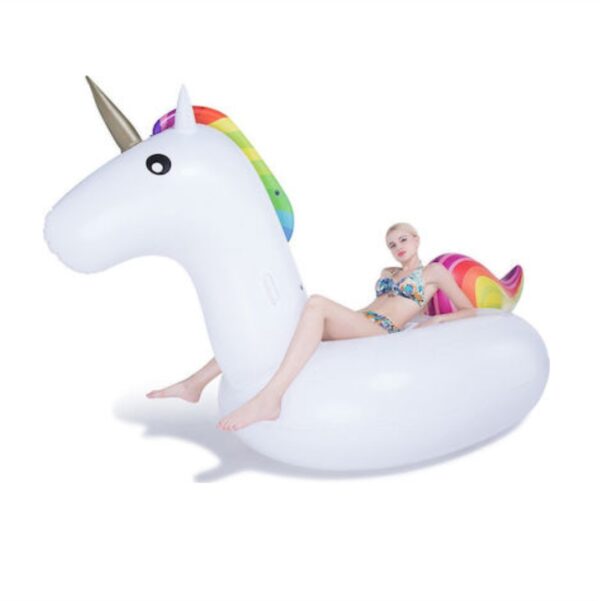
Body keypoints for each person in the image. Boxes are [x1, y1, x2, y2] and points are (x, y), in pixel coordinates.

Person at [146, 222, 477, 431]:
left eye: (403, 239)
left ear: (417, 238)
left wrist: (439, 319)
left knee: (316, 302)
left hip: (380, 331)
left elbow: (468, 309)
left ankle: (270, 398)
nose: (398, 247)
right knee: (278, 322)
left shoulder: (433, 272)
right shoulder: (388, 273)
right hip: (361, 320)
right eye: (392, 244)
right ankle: (194, 383)